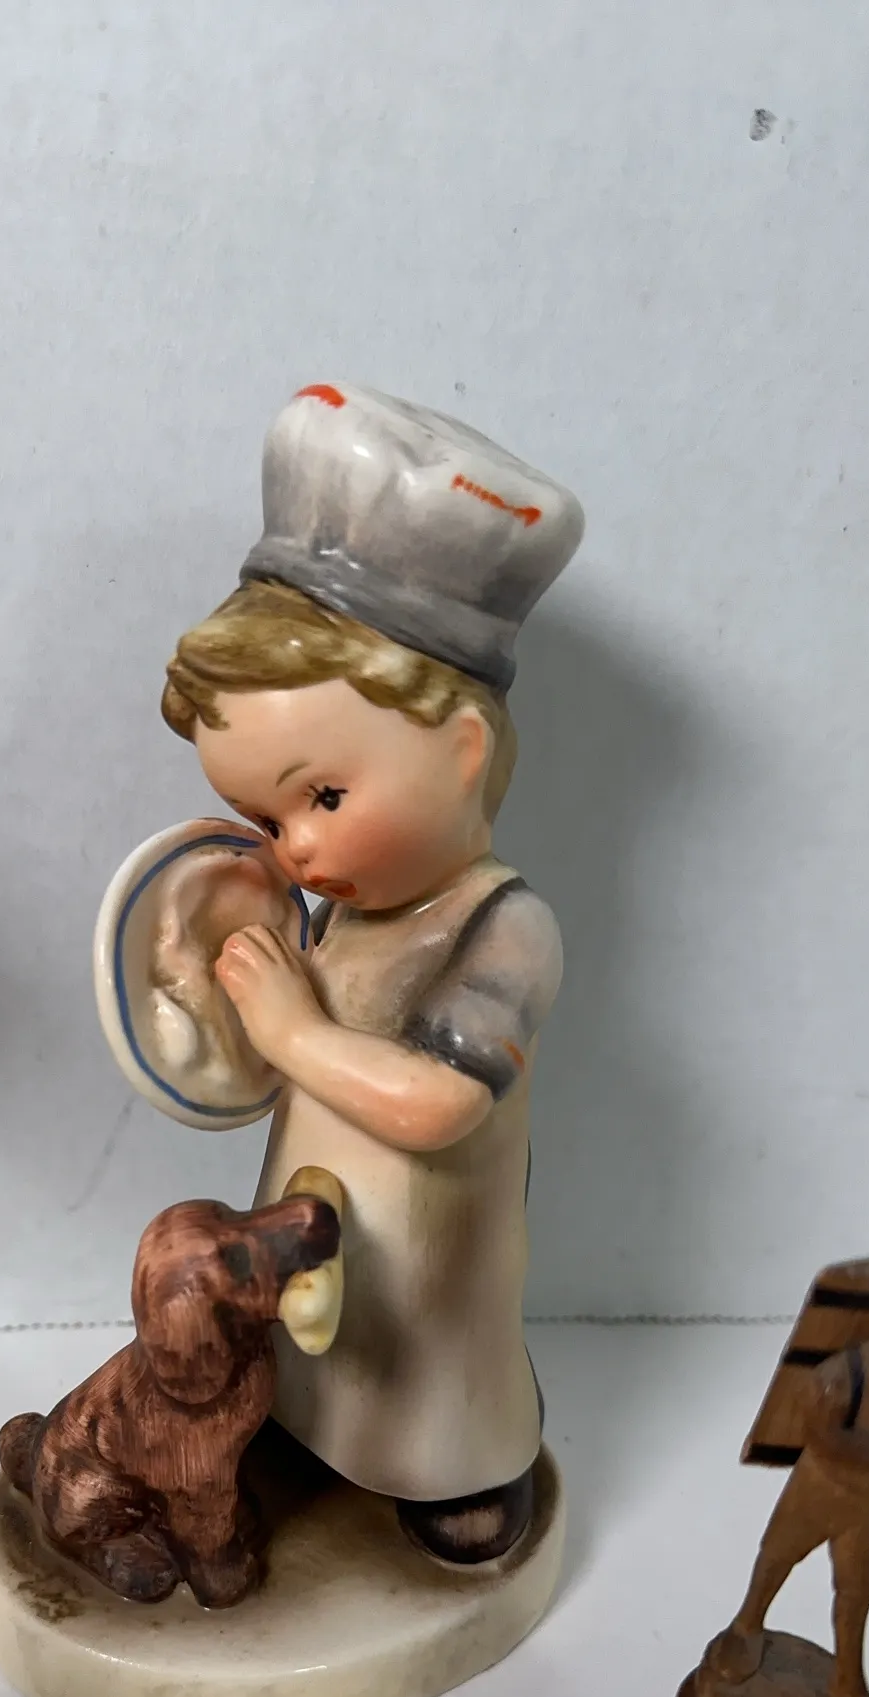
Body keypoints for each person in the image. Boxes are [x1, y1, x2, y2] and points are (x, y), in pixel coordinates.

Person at [159, 382, 584, 1562]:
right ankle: (306, 1426)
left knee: (420, 1346)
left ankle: (455, 1470)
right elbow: (268, 1044)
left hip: (429, 1241)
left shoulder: (503, 927)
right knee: (314, 1345)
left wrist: (295, 1035)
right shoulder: (339, 909)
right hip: (317, 1228)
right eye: (266, 816)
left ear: (461, 754)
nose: (293, 847)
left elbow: (440, 1104)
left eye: (325, 796)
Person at [710, 1284, 869, 1697]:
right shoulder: (850, 1371)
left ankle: (847, 1680)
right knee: (779, 1553)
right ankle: (746, 1624)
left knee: (859, 1587)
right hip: (822, 1487)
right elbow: (823, 1434)